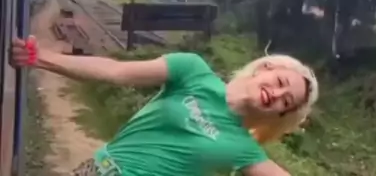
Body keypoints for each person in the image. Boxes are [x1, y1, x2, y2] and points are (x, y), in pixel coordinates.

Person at [10, 36, 318, 176]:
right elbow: (116, 72)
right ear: (265, 68)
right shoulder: (192, 70)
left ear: (278, 115)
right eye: (280, 82)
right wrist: (40, 58)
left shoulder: (244, 150)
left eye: (285, 102)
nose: (277, 94)